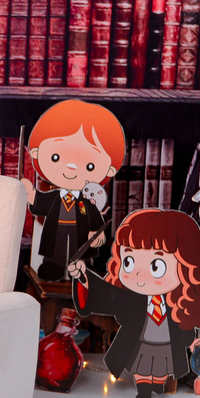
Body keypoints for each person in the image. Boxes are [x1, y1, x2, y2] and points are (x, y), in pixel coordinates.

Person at [67, 208, 200, 398]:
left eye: (156, 266)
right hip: (141, 343)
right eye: (128, 262)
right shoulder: (132, 298)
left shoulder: (178, 302)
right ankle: (144, 387)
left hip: (166, 344)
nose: (138, 274)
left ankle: (158, 382)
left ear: (187, 268)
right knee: (141, 367)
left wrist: (192, 341)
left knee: (162, 369)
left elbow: (185, 323)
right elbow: (108, 296)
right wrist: (83, 277)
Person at [21, 99, 126, 281]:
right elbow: (42, 204)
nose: (71, 167)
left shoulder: (87, 200)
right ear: (36, 152)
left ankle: (82, 267)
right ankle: (53, 266)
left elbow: (94, 216)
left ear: (109, 170)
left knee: (80, 250)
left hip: (80, 231)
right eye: (55, 157)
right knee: (56, 249)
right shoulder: (55, 196)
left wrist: (97, 231)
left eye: (90, 166)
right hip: (57, 227)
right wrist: (32, 195)